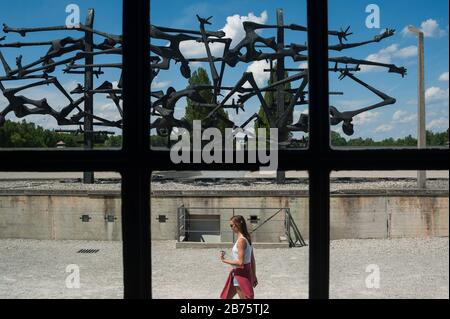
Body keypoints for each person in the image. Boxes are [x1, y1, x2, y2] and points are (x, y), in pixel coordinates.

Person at [220, 215, 258, 299]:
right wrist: (254, 275)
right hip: (244, 273)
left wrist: (224, 260)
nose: (231, 228)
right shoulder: (247, 238)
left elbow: (240, 263)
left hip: (240, 274)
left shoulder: (241, 241)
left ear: (237, 225)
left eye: (231, 225)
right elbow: (252, 260)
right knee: (225, 297)